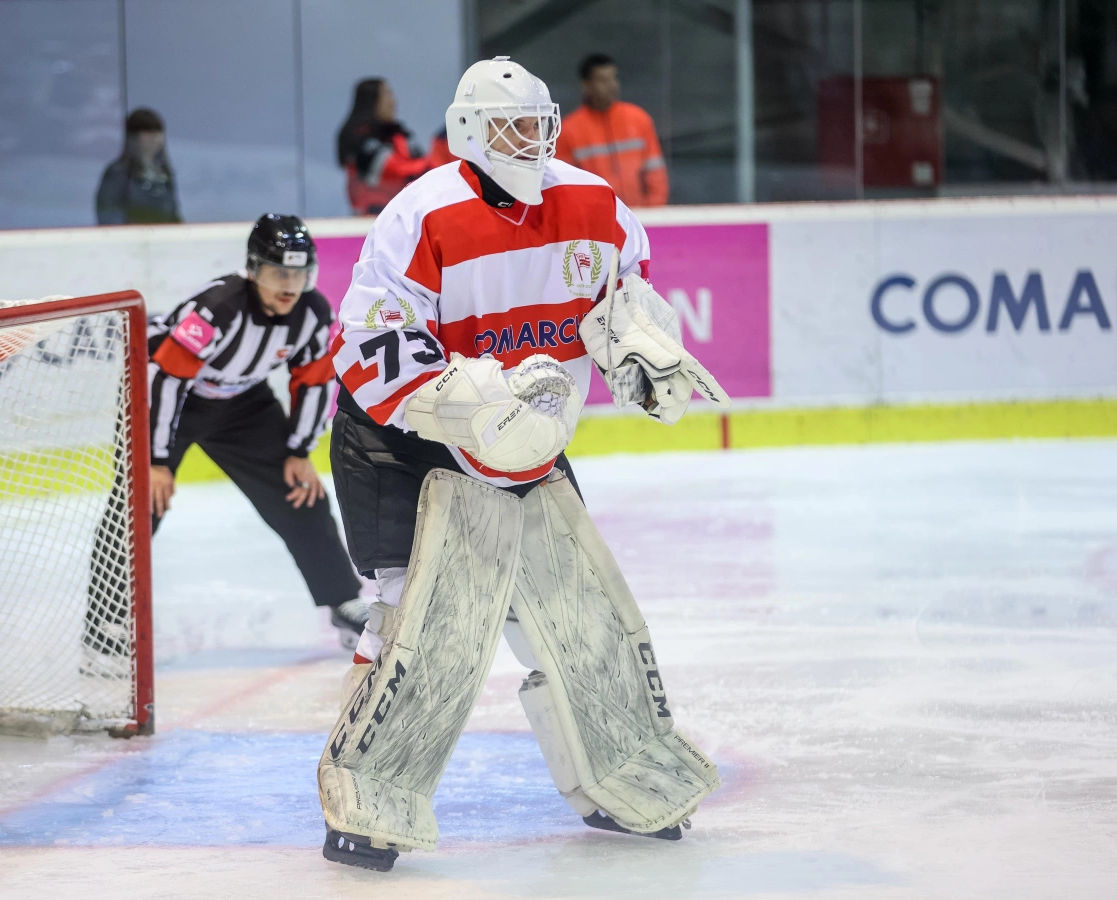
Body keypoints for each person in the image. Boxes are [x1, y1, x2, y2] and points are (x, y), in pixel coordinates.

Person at [315, 57, 729, 871]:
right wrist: (470, 404)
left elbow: (625, 302)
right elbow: (366, 348)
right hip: (404, 444)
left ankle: (623, 776)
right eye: (511, 128)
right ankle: (369, 796)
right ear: (469, 132)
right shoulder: (420, 215)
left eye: (540, 125)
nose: (530, 142)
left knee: (576, 619)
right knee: (421, 624)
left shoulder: (596, 204)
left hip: (528, 440)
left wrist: (642, 352)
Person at [83, 215, 368, 662]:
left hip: (241, 403)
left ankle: (343, 601)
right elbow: (165, 378)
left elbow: (314, 381)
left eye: (299, 275)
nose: (290, 286)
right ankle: (105, 624)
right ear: (253, 270)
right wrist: (155, 461)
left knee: (301, 492)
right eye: (278, 274)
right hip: (167, 398)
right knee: (137, 505)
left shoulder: (313, 313)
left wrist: (298, 451)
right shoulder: (218, 308)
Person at [555, 53, 669, 206]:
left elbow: (656, 174)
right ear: (586, 85)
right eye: (603, 80)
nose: (612, 85)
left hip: (640, 215)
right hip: (596, 217)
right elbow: (564, 184)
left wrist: (654, 211)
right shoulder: (568, 130)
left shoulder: (639, 119)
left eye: (614, 78)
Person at [336, 78, 431, 215]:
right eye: (387, 95)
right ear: (372, 100)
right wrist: (431, 163)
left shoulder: (399, 134)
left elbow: (422, 169)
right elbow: (392, 169)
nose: (393, 101)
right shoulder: (358, 136)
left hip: (405, 213)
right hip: (370, 217)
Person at [95, 108, 182, 225]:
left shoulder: (164, 173)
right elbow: (109, 215)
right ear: (133, 137)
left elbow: (174, 215)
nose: (154, 137)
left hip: (163, 236)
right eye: (148, 131)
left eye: (158, 132)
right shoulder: (118, 172)